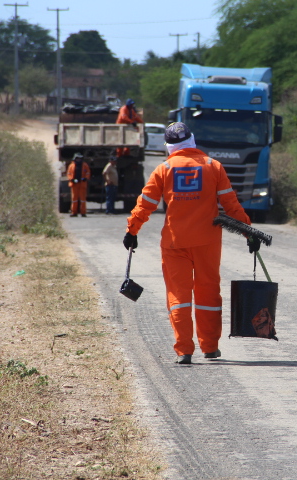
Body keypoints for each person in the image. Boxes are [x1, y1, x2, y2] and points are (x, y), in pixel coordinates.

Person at [122, 122, 256, 365]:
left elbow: (146, 203)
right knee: (208, 293)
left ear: (170, 146)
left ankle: (184, 350)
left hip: (175, 243)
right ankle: (210, 347)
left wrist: (132, 230)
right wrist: (249, 233)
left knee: (178, 296)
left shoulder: (164, 169)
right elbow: (231, 206)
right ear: (192, 141)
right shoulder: (213, 166)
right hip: (208, 243)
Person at [67, 153, 90, 217]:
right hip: (74, 184)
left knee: (83, 199)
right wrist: (72, 179)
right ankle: (74, 212)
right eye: (77, 158)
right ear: (75, 159)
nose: (79, 160)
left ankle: (83, 212)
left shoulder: (85, 165)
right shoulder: (71, 166)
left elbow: (88, 172)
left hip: (82, 184)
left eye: (80, 158)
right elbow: (69, 174)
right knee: (74, 199)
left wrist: (86, 178)